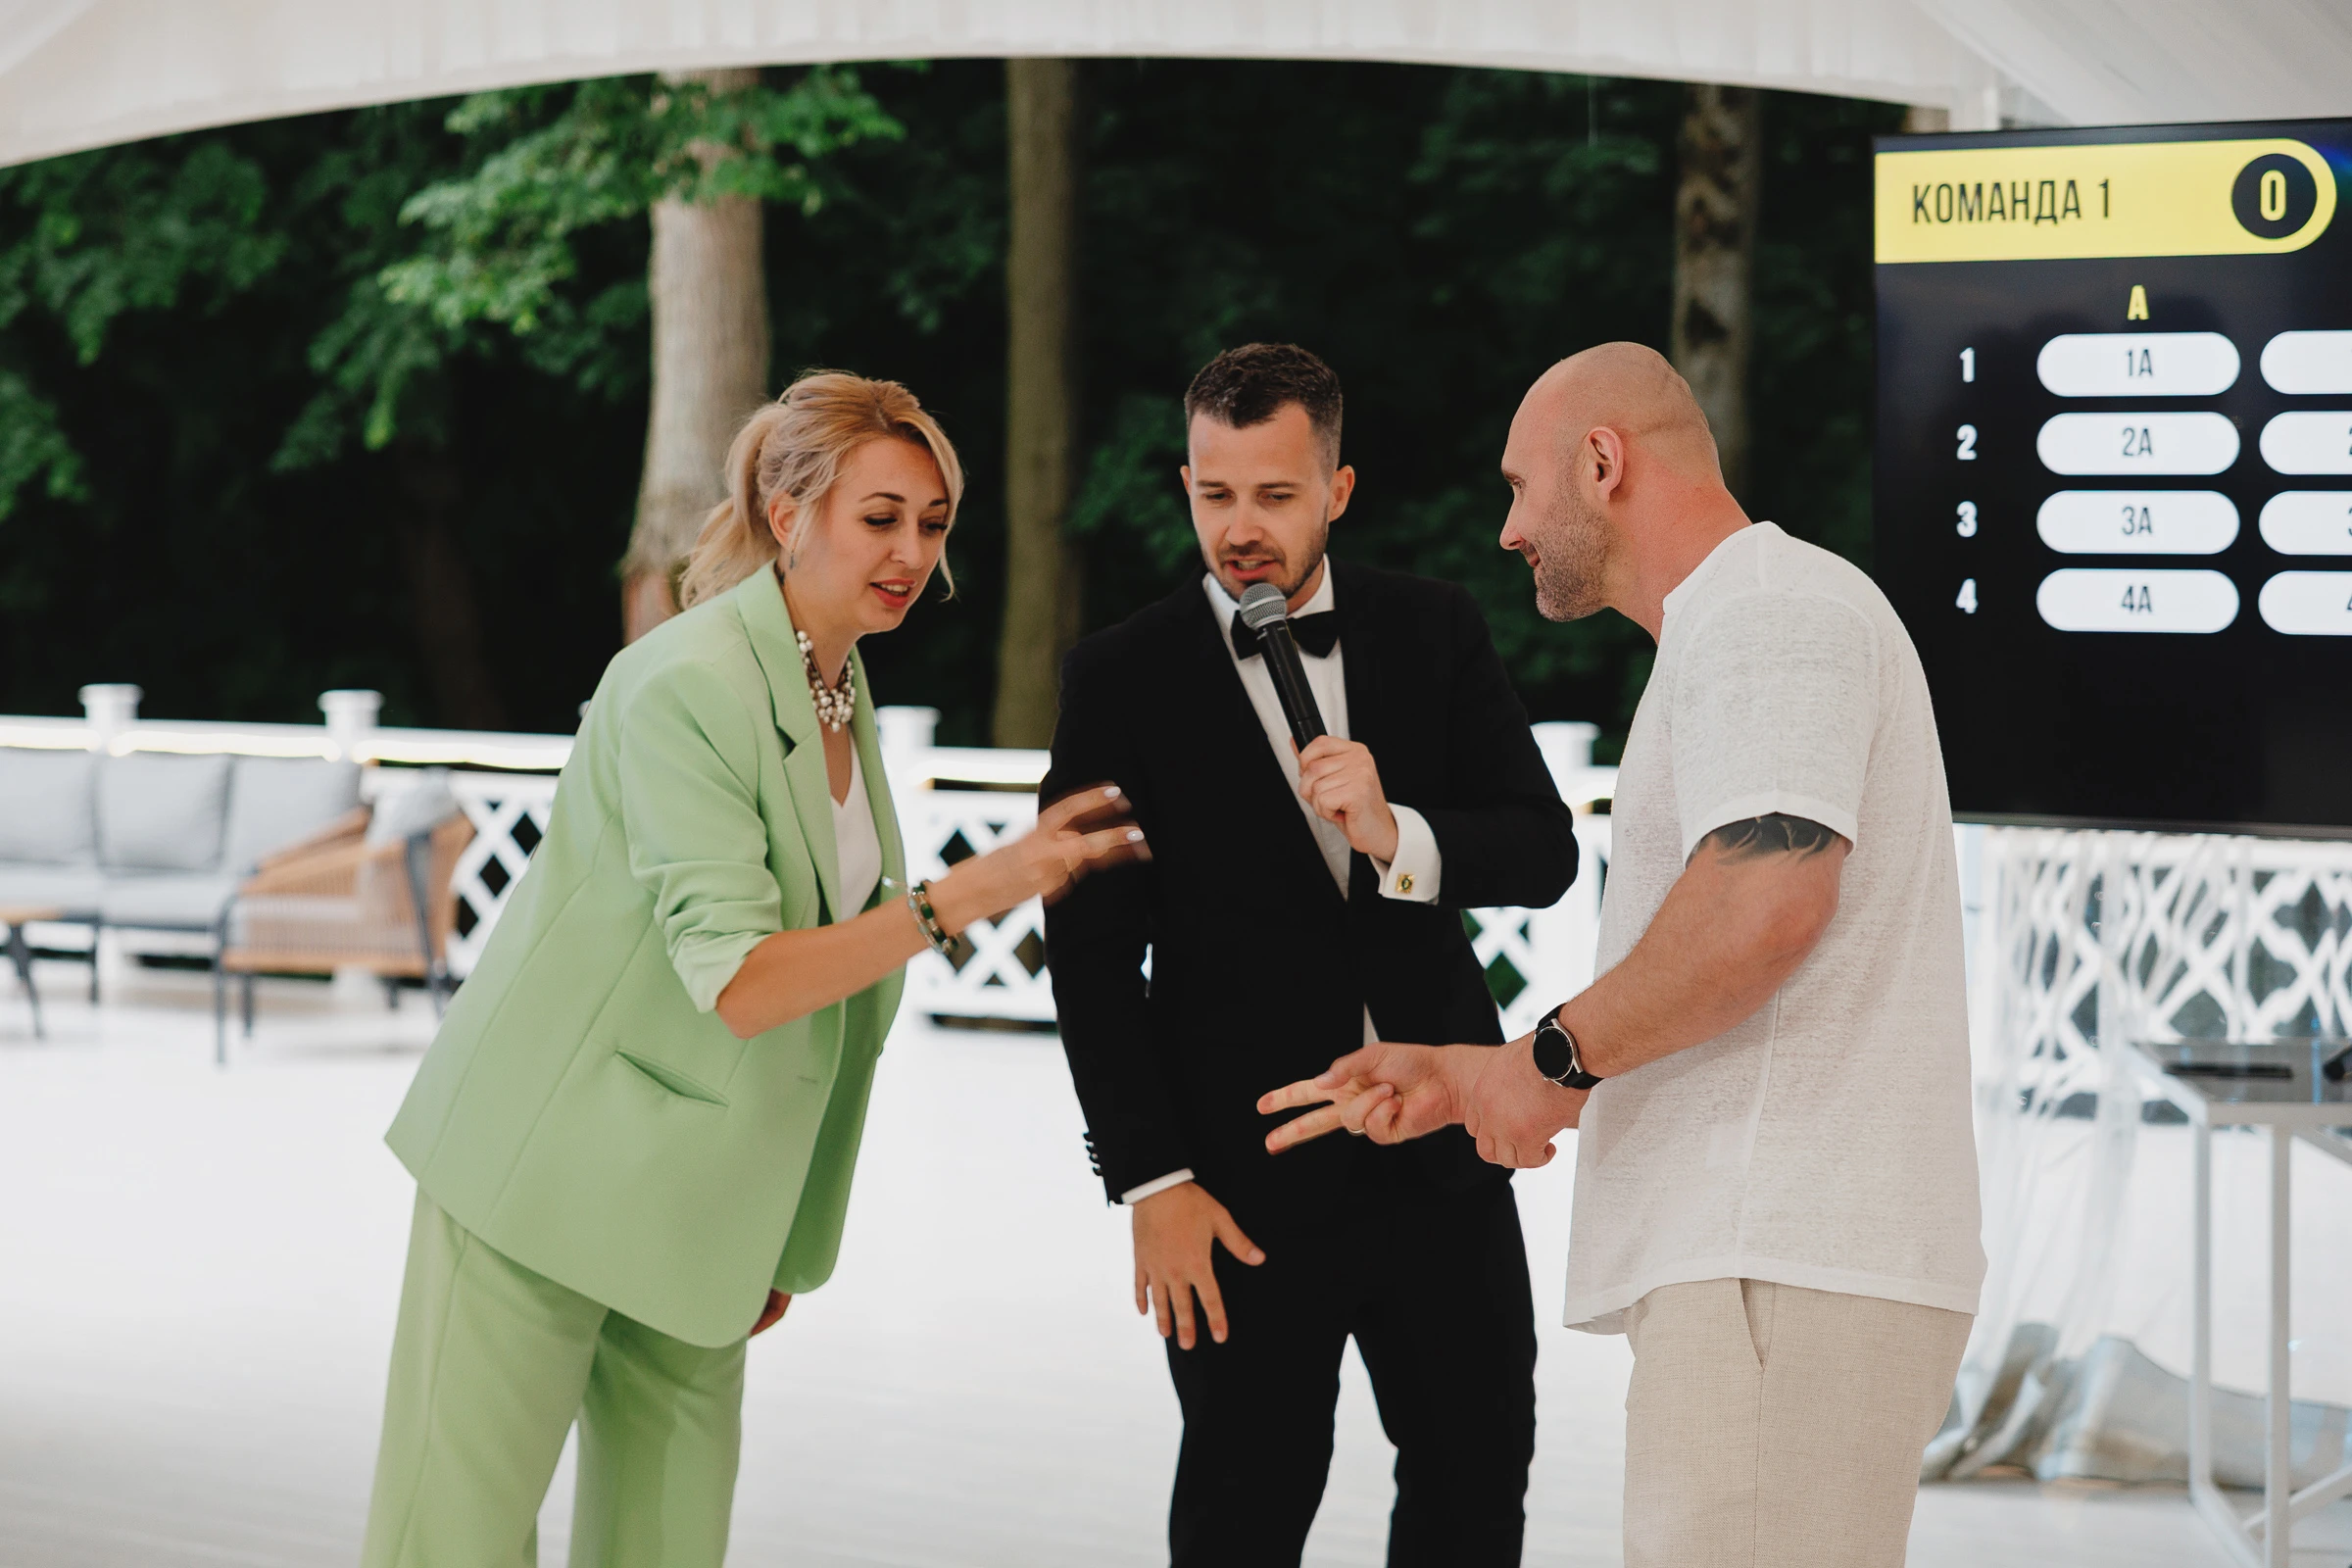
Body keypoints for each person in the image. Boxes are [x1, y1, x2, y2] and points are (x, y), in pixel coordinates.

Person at [360, 370, 1146, 1567]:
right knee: (451, 1543)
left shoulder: (838, 678)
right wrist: (978, 888)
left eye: (932, 522)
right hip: (540, 1171)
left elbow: (834, 998)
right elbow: (742, 981)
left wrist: (774, 1230)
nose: (912, 551)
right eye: (880, 517)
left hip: (701, 1206)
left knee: (668, 1544)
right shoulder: (686, 681)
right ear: (789, 514)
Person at [1263, 342, 1984, 1568]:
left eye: (1518, 486)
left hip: (1778, 1262)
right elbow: (1733, 957)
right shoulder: (1745, 621)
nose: (1507, 529)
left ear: (1602, 462)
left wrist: (1546, 1064)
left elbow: (1763, 905)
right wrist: (1482, 1072)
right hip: (1777, 1264)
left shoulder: (1767, 614)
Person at [1041, 343, 1580, 1567]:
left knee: (1475, 1485)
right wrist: (1153, 1182)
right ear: (1185, 485)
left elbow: (1543, 849)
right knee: (1243, 1507)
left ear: (1336, 489)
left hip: (1443, 1158)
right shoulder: (1118, 676)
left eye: (1276, 495)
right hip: (1241, 1186)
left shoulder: (1435, 628)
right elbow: (1089, 959)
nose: (1241, 528)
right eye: (1216, 493)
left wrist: (1400, 834)